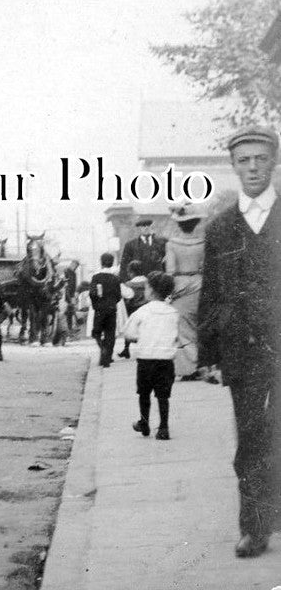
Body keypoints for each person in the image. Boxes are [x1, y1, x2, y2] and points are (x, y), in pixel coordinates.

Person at [196, 125, 281, 558]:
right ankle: (254, 528)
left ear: (273, 162)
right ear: (232, 166)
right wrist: (208, 356)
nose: (252, 167)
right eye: (243, 160)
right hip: (243, 352)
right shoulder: (221, 228)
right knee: (249, 441)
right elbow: (211, 293)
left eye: (260, 159)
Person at [125, 271, 180, 441]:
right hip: (166, 360)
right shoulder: (173, 312)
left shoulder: (142, 311)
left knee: (144, 393)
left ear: (152, 290)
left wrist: (139, 338)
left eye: (147, 287)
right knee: (163, 396)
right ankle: (164, 427)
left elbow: (129, 333)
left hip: (146, 359)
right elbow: (176, 334)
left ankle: (144, 422)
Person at [166, 205, 207, 381]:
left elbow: (170, 270)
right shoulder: (203, 243)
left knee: (183, 329)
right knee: (199, 326)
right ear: (196, 223)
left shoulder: (172, 244)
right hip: (200, 284)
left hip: (180, 286)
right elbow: (206, 267)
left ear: (179, 224)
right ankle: (202, 364)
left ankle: (190, 367)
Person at [89, 252, 133, 368]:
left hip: (99, 309)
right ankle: (107, 358)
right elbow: (119, 295)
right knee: (110, 333)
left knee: (97, 332)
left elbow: (92, 293)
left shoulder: (96, 277)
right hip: (112, 309)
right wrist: (113, 302)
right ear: (112, 263)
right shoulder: (115, 278)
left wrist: (95, 305)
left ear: (101, 262)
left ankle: (102, 347)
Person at [117, 260, 148, 360]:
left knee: (130, 328)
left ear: (131, 272)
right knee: (144, 330)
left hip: (132, 309)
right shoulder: (148, 282)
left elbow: (126, 296)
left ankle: (126, 349)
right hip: (146, 308)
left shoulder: (128, 284)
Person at [120, 217, 168, 281]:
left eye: (148, 225)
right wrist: (125, 281)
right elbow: (124, 264)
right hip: (139, 281)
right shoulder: (131, 245)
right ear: (139, 229)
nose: (146, 228)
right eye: (143, 226)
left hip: (159, 280)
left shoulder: (162, 242)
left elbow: (168, 260)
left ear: (151, 227)